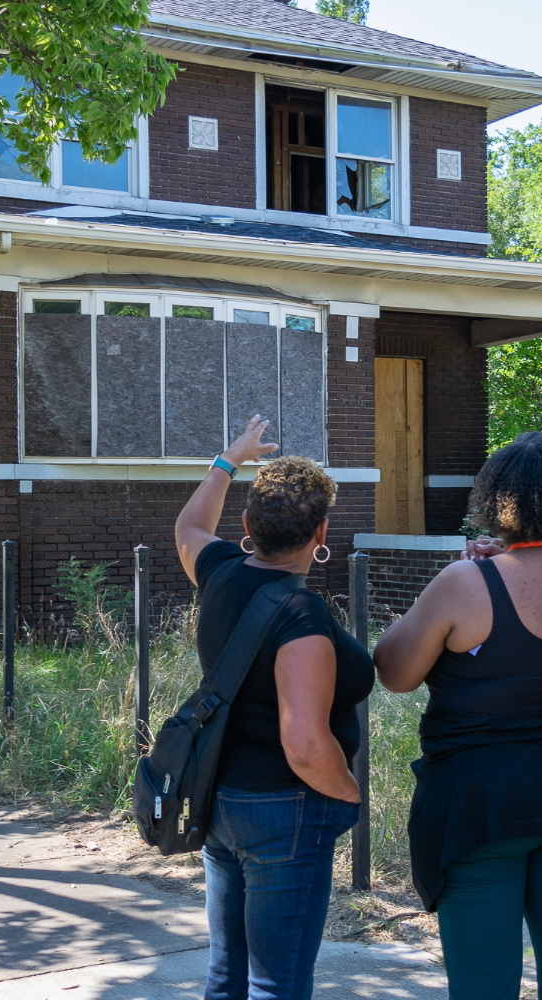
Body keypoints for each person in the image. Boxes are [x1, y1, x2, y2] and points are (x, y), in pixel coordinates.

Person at [374, 431, 542, 1000]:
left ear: (497, 501)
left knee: (483, 985)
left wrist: (451, 592)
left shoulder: (466, 582)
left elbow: (393, 672)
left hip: (481, 803)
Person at [173, 414, 373, 1000]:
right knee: (276, 984)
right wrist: (346, 791)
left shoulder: (220, 572)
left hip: (221, 799)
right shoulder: (301, 616)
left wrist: (226, 461)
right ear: (321, 533)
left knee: (227, 977)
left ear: (246, 524)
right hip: (286, 810)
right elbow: (306, 744)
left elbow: (188, 526)